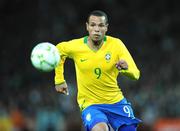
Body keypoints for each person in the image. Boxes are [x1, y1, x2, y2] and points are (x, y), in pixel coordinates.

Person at [54, 10, 141, 131]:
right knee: (100, 129)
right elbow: (58, 51)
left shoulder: (116, 45)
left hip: (116, 102)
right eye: (93, 25)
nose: (96, 29)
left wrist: (126, 70)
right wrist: (59, 80)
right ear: (87, 27)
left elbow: (136, 74)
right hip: (91, 105)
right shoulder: (76, 46)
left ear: (106, 28)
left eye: (101, 25)